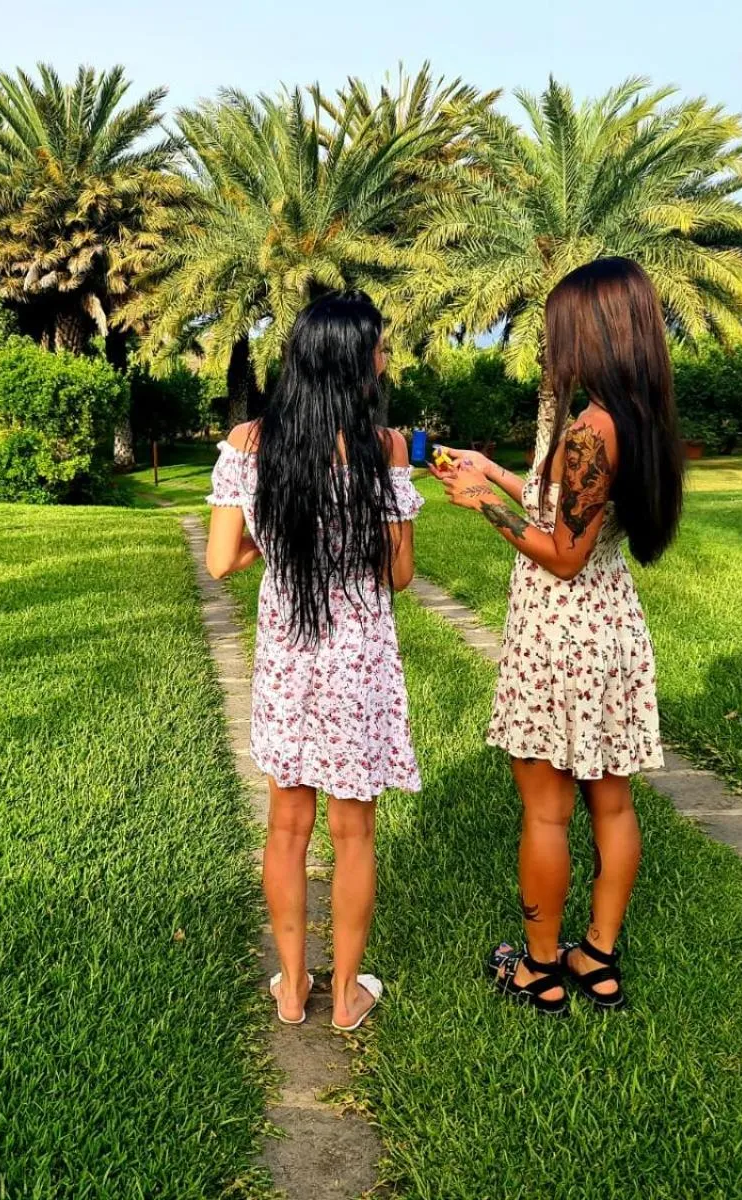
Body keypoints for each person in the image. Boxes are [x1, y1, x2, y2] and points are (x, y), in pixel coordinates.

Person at [431, 257, 684, 1014]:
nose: (552, 341)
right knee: (613, 803)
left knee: (546, 811)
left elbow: (562, 554)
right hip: (612, 629)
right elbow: (576, 511)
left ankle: (539, 969)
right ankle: (597, 959)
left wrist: (481, 504)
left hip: (559, 634)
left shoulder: (589, 432)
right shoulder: (637, 417)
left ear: (593, 332)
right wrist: (495, 472)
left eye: (560, 328)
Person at [206, 291, 423, 1032]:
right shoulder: (384, 448)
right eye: (379, 348)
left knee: (287, 827)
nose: (385, 360)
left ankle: (294, 987)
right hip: (359, 656)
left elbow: (220, 560)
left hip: (289, 655)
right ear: (354, 362)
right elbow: (398, 576)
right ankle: (347, 996)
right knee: (353, 833)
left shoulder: (250, 443)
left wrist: (277, 541)